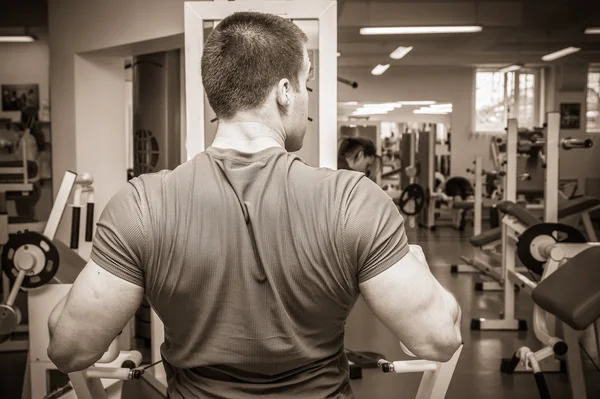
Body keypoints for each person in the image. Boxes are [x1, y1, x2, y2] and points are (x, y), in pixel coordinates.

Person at [47, 12, 462, 399]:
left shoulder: (140, 205)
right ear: (284, 92)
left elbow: (69, 349)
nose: (306, 99)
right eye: (306, 85)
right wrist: (420, 268)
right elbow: (438, 338)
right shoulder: (353, 200)